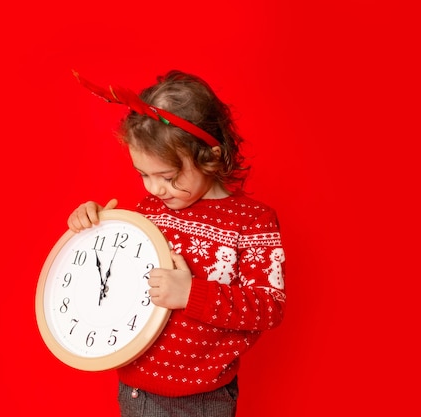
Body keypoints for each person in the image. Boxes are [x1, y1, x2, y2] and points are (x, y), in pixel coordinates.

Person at [68, 70, 286, 417]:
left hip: (198, 400)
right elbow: (115, 273)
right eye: (143, 175)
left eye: (167, 177)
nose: (154, 189)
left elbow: (269, 306)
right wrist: (94, 226)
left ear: (210, 157)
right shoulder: (150, 210)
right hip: (134, 388)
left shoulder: (251, 221)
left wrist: (191, 293)